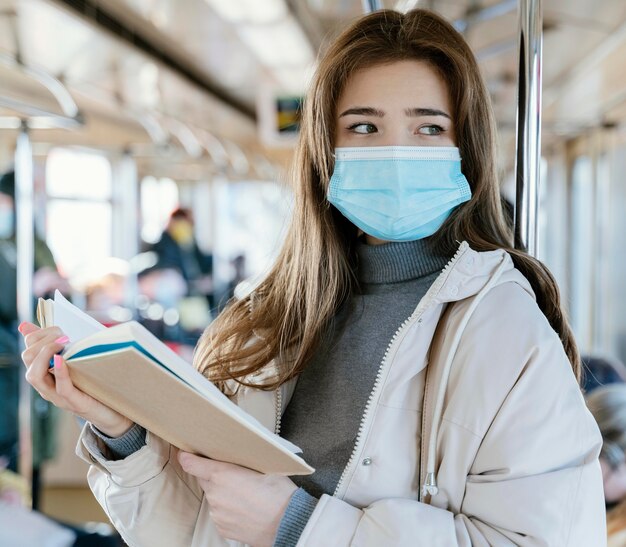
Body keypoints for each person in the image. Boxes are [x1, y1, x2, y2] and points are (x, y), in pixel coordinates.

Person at [19, 8, 605, 546]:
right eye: (364, 129)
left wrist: (296, 525)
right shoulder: (266, 321)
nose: (396, 152)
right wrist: (122, 428)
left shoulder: (505, 330)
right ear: (325, 149)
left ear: (465, 148)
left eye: (428, 129)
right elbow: (200, 526)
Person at [0, 170, 69, 506]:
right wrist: (28, 289)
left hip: (29, 350)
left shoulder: (32, 238)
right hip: (10, 358)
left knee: (31, 448)